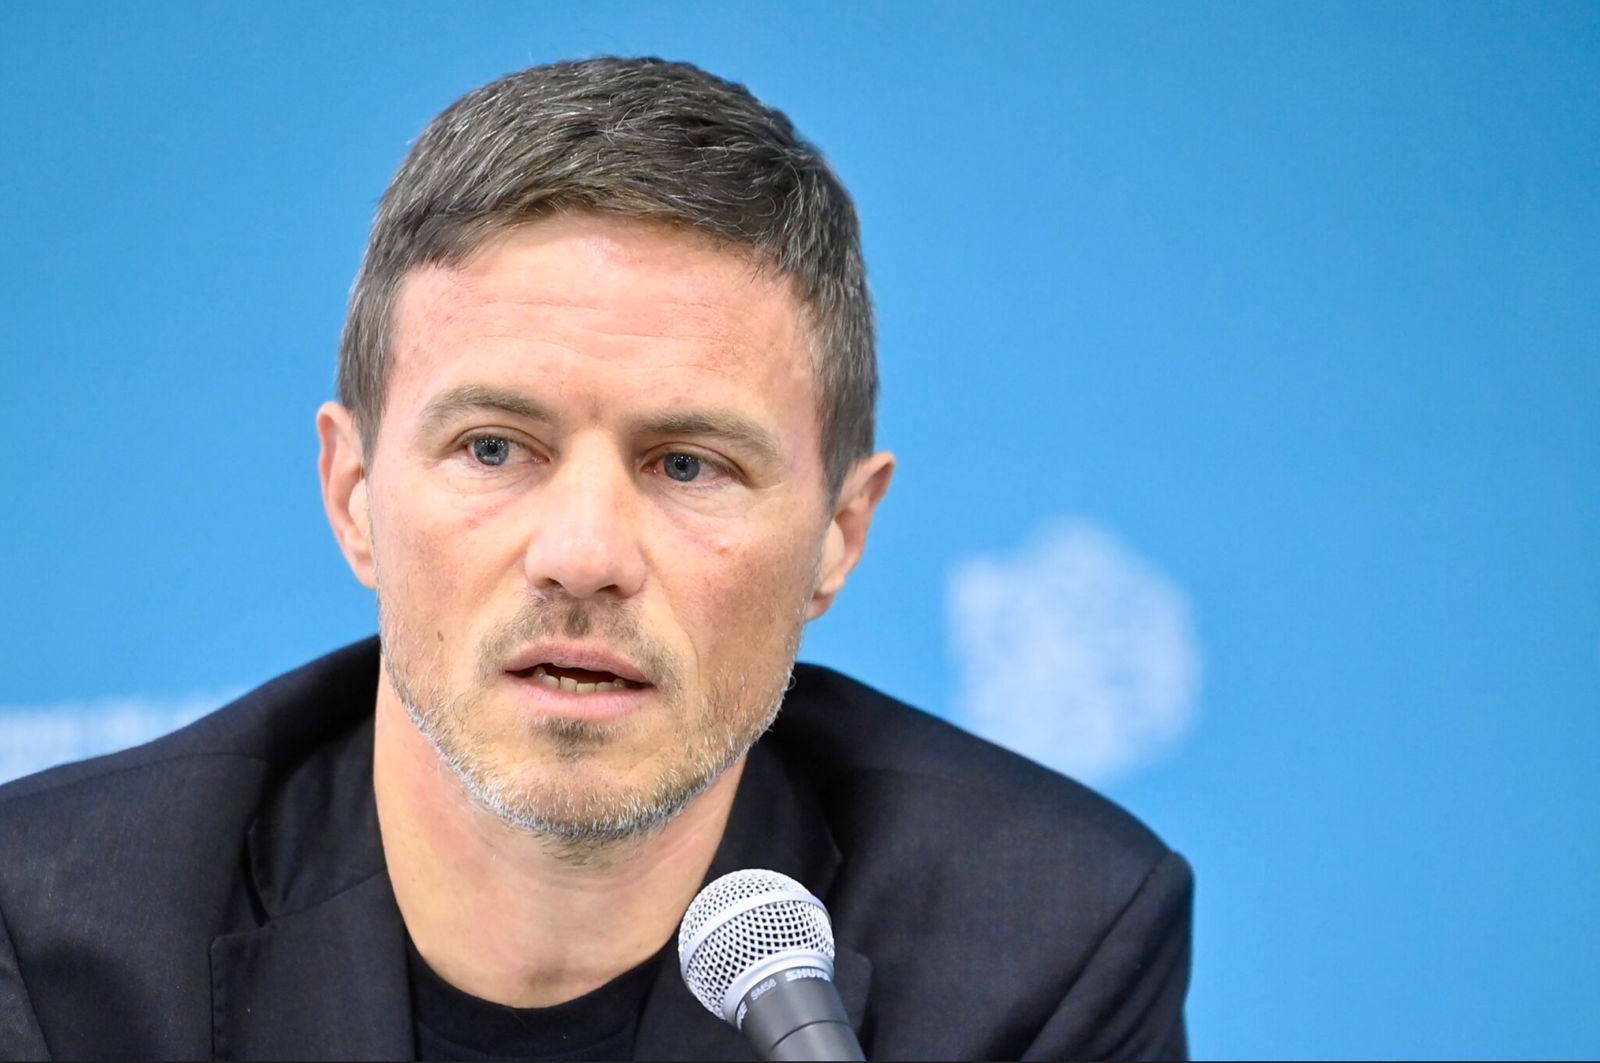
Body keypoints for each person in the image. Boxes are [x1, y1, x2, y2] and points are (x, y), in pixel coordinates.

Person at [0, 57, 1192, 1061]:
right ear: (353, 495)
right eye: (493, 447)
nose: (583, 555)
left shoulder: (1045, 952)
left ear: (839, 535)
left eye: (689, 465)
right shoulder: (55, 928)